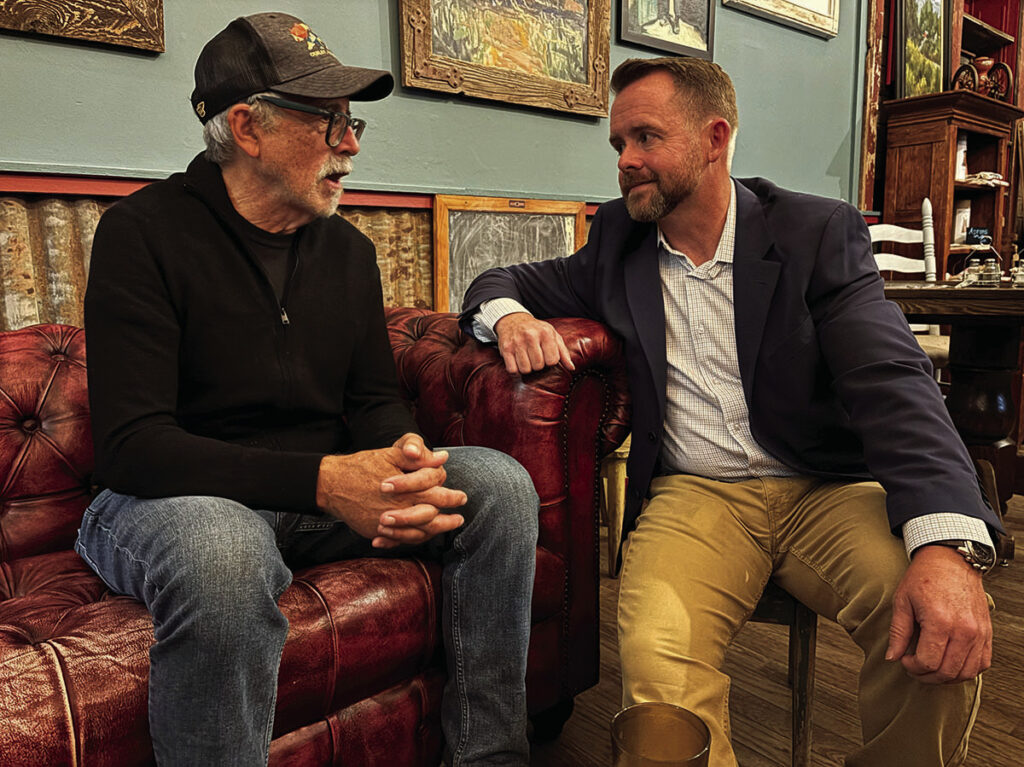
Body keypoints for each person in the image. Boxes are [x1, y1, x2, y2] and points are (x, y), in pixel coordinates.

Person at [461, 56, 1003, 767]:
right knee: (657, 658)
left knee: (939, 623)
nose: (625, 161)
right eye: (618, 143)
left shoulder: (813, 231)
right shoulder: (617, 240)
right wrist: (507, 317)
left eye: (646, 138)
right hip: (697, 496)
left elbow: (892, 379)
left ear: (714, 139)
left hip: (827, 487)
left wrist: (944, 544)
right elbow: (497, 278)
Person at [76, 12, 537, 767]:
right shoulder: (141, 232)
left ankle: (489, 757)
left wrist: (403, 456)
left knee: (500, 486)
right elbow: (133, 447)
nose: (350, 144)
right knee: (225, 553)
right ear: (246, 128)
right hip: (172, 501)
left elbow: (372, 400)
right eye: (329, 122)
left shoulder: (348, 252)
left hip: (313, 503)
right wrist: (326, 481)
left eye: (353, 123)